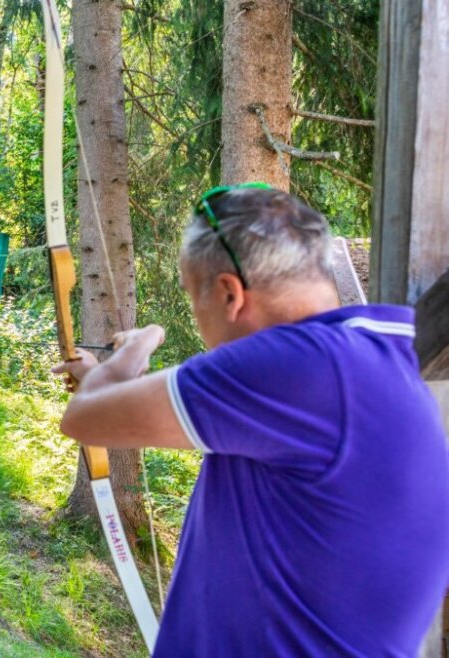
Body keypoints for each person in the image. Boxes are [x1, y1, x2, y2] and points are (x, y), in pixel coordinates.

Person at [54, 184, 449, 657]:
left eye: (190, 296)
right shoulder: (360, 361)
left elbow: (84, 419)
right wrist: (106, 376)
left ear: (228, 294)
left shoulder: (299, 366)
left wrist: (141, 345)